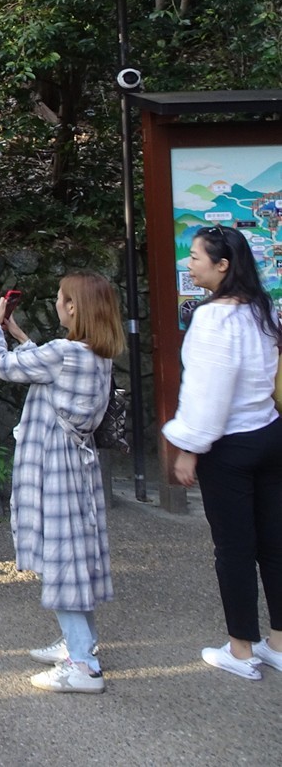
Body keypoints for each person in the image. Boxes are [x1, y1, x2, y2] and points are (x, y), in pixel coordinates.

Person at [0, 272, 124, 694]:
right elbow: (46, 367)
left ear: (74, 307)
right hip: (77, 464)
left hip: (53, 466)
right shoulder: (95, 353)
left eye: (61, 298)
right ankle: (79, 644)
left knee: (61, 559)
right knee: (75, 556)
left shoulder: (63, 353)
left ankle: (83, 665)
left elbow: (2, 365)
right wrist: (19, 333)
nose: (58, 303)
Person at [163, 224, 282, 680]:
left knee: (234, 549)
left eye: (195, 257)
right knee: (273, 545)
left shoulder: (213, 319)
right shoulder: (262, 309)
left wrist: (189, 447)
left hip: (229, 447)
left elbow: (208, 393)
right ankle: (275, 643)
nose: (188, 264)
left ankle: (240, 650)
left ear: (222, 265)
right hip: (269, 433)